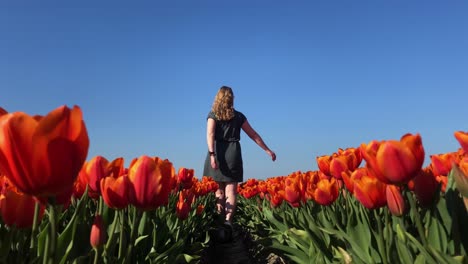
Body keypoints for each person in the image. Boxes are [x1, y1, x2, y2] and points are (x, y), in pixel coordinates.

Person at [203, 86, 276, 230]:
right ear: (232, 99)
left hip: (217, 151)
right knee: (231, 191)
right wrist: (267, 150)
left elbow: (210, 134)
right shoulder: (238, 116)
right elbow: (253, 134)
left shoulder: (213, 115)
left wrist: (212, 155)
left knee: (219, 191)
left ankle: (219, 222)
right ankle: (228, 223)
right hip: (233, 153)